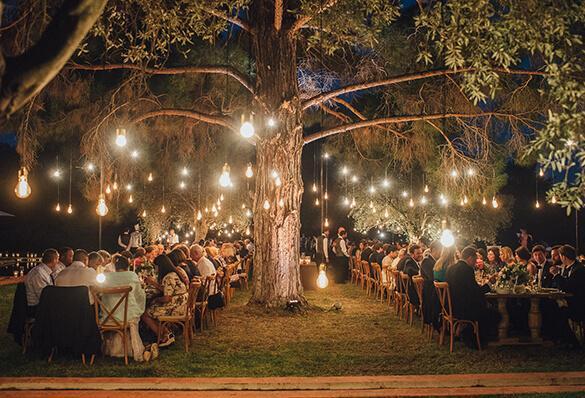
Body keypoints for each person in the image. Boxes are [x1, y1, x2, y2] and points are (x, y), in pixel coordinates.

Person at [445, 246, 500, 346]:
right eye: (475, 259)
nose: (475, 262)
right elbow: (476, 292)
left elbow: (468, 289)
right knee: (496, 314)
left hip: (451, 307)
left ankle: (467, 333)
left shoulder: (450, 268)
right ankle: (480, 339)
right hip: (466, 309)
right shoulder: (466, 269)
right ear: (470, 258)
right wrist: (489, 284)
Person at [101, 255, 148, 362]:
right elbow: (139, 296)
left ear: (115, 266)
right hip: (128, 316)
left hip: (109, 317)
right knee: (135, 309)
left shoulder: (107, 277)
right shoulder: (132, 275)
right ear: (128, 266)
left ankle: (112, 350)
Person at [142, 254, 189, 347]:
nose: (156, 269)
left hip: (176, 309)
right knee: (152, 308)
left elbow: (167, 298)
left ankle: (164, 336)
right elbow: (168, 290)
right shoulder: (176, 273)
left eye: (156, 267)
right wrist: (153, 283)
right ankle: (167, 333)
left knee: (145, 313)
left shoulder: (168, 277)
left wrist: (156, 299)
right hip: (183, 306)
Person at [551, 245, 585, 322]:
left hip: (577, 304)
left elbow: (567, 288)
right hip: (568, 300)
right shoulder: (566, 267)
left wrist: (556, 275)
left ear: (563, 256)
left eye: (559, 255)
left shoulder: (579, 269)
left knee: (552, 308)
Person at [25, 249, 60, 315]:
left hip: (41, 305)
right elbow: (43, 297)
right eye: (58, 259)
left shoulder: (44, 271)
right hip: (35, 308)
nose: (58, 263)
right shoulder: (39, 273)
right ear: (54, 260)